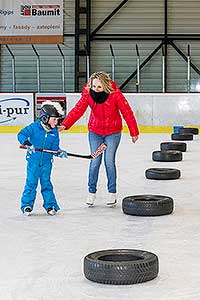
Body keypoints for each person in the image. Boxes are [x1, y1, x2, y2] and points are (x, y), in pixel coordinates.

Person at [59, 71, 139, 207]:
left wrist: (133, 131)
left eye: (99, 87)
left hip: (112, 133)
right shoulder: (88, 94)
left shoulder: (115, 94)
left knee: (109, 161)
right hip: (95, 132)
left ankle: (112, 192)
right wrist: (65, 124)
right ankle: (91, 192)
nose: (96, 89)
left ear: (106, 86)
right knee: (95, 161)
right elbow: (78, 110)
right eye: (94, 86)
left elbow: (127, 111)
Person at [17, 101, 68, 216]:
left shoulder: (54, 132)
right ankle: (27, 205)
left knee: (46, 184)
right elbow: (21, 134)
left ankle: (50, 205)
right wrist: (27, 143)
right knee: (31, 183)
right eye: (54, 119)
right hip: (33, 162)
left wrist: (59, 152)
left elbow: (54, 148)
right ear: (45, 118)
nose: (57, 122)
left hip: (46, 163)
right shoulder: (34, 127)